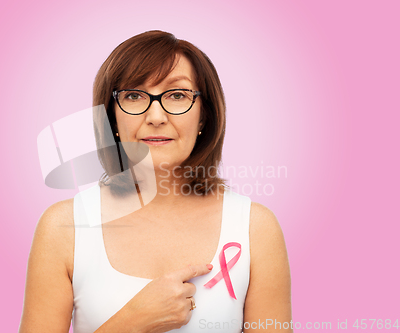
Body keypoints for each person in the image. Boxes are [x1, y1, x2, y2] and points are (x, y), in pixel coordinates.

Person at [19, 30, 292, 333]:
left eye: (177, 95)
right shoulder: (63, 228)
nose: (156, 116)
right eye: (134, 96)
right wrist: (131, 322)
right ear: (112, 119)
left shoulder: (255, 228)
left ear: (203, 117)